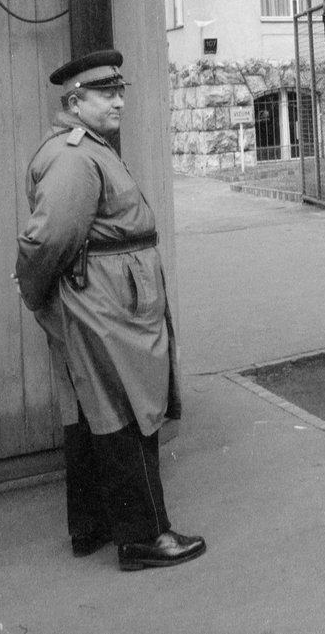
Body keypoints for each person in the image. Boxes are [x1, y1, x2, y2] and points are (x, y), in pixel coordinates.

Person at [14, 48, 205, 571]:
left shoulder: (89, 148)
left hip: (109, 297)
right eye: (106, 92)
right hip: (105, 302)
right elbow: (46, 240)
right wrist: (34, 295)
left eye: (120, 90)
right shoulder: (76, 156)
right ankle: (145, 537)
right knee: (126, 412)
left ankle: (92, 526)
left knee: (94, 411)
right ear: (75, 102)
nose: (119, 99)